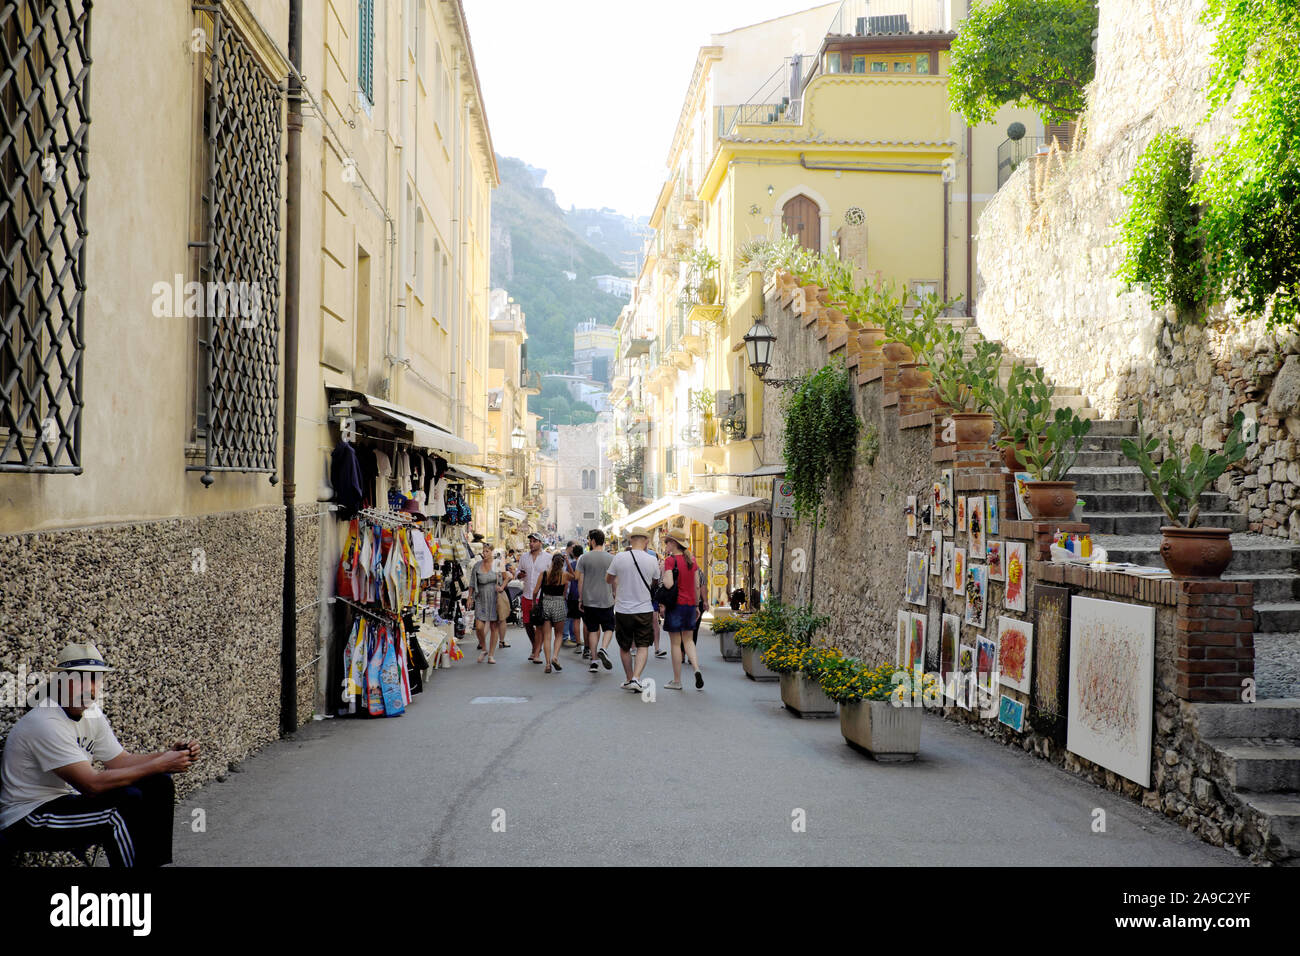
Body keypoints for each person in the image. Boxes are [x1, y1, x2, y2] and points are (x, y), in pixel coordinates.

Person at [0, 642, 199, 867]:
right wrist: (160, 764)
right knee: (115, 814)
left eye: (94, 679)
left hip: (64, 803)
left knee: (158, 783)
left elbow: (120, 761)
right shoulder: (44, 721)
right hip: (28, 817)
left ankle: (154, 864)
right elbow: (91, 784)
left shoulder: (91, 712)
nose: (89, 688)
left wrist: (168, 756)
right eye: (79, 679)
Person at [605, 526, 658, 692]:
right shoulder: (652, 559)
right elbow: (656, 581)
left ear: (630, 540)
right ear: (646, 542)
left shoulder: (620, 557)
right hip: (644, 608)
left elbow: (608, 579)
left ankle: (629, 678)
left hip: (623, 609)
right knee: (643, 645)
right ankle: (636, 678)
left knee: (625, 646)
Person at [659, 519, 704, 690]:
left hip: (675, 605)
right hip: (690, 605)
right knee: (689, 640)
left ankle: (677, 681)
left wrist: (664, 572)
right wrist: (697, 606)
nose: (666, 545)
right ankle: (696, 669)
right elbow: (697, 585)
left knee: (676, 644)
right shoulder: (691, 560)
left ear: (673, 543)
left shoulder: (671, 561)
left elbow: (669, 584)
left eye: (667, 541)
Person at [576, 528, 615, 674]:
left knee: (592, 630)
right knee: (609, 628)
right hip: (606, 598)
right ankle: (603, 648)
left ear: (592, 541)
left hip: (589, 600)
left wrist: (580, 598)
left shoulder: (583, 558)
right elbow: (614, 580)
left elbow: (580, 579)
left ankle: (594, 661)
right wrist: (615, 594)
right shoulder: (611, 558)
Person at [532, 552, 572, 673]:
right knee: (559, 634)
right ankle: (555, 656)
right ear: (562, 564)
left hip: (546, 603)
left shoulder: (544, 574)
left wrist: (534, 602)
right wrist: (569, 563)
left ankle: (548, 664)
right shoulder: (564, 575)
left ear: (552, 562)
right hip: (559, 603)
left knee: (547, 636)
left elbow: (535, 591)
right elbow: (575, 576)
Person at [466, 543, 506, 663]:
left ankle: (491, 655)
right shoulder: (477, 565)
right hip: (480, 597)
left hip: (494, 597)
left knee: (494, 626)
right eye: (484, 551)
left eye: (487, 551)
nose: (485, 554)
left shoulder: (498, 564)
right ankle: (484, 648)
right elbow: (472, 583)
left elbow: (508, 576)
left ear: (492, 552)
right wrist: (469, 597)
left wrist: (502, 587)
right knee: (479, 627)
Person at [516, 532, 550, 663]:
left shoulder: (548, 557)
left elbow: (552, 574)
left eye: (534, 541)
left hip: (541, 596)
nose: (531, 543)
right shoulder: (524, 557)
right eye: (530, 541)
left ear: (540, 543)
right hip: (527, 595)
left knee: (540, 625)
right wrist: (519, 575)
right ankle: (535, 646)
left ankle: (536, 653)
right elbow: (518, 570)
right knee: (527, 624)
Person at [565, 543, 584, 653]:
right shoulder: (585, 563)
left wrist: (564, 595)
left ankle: (578, 644)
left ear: (573, 553)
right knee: (586, 622)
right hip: (584, 594)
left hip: (573, 595)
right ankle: (588, 647)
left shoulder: (571, 564)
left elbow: (567, 582)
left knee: (576, 621)